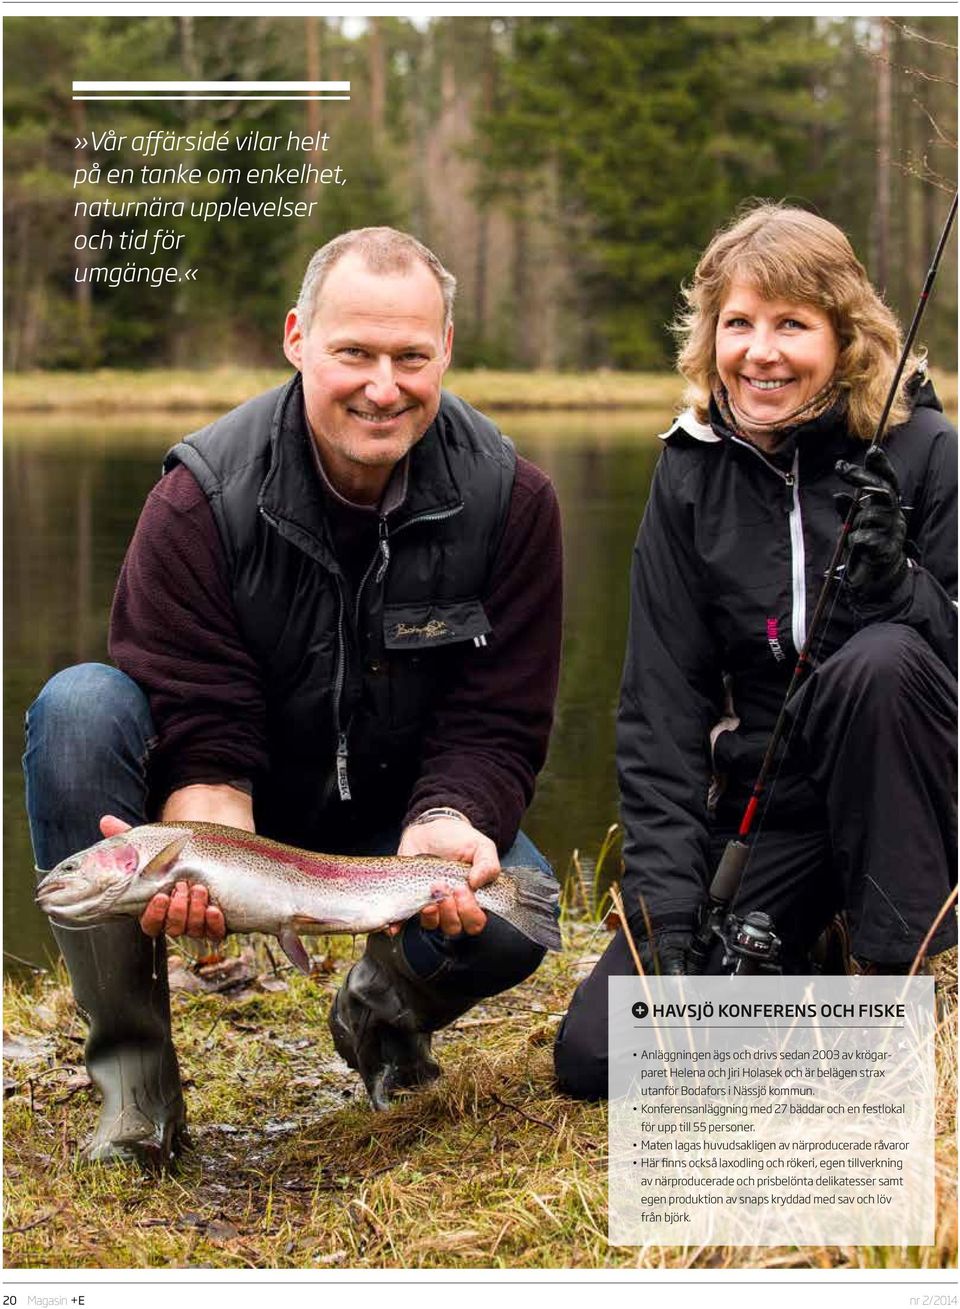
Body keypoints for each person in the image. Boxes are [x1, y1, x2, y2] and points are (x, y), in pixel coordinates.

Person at [24, 226, 563, 1164]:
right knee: (78, 709)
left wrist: (452, 816)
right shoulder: (198, 499)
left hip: (399, 817)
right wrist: (204, 842)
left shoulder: (514, 501)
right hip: (242, 806)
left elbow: (498, 721)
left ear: (446, 353)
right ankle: (136, 1091)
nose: (382, 386)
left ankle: (381, 1017)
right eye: (353, 351)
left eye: (410, 356)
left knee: (527, 912)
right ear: (297, 339)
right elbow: (200, 717)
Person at [554, 202, 957, 1100]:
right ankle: (812, 944)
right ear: (710, 335)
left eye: (791, 325)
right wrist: (667, 920)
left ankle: (901, 978)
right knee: (600, 1059)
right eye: (738, 323)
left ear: (846, 337)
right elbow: (660, 708)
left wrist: (905, 587)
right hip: (768, 817)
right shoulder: (689, 470)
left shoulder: (926, 451)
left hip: (916, 800)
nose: (760, 351)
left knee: (883, 662)